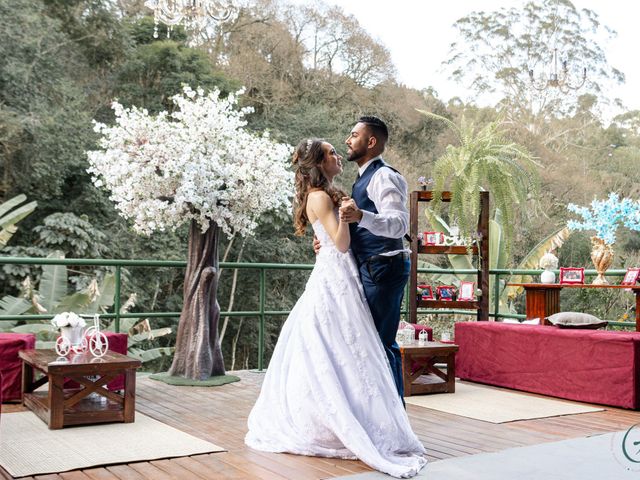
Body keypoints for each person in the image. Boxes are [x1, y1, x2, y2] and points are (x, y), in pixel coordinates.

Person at [245, 138, 427, 478]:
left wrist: (342, 216)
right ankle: (335, 422)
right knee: (339, 346)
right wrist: (344, 218)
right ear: (317, 162)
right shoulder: (319, 196)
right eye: (330, 153)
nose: (337, 155)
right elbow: (341, 244)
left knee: (349, 348)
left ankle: (362, 417)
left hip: (343, 275)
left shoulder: (327, 193)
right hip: (336, 274)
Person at [335, 115, 410, 400]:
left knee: (380, 344)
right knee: (370, 343)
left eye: (353, 135)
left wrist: (361, 215)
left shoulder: (383, 176)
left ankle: (394, 419)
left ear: (371, 141)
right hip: (374, 266)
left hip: (384, 266)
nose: (347, 140)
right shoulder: (364, 177)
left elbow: (399, 224)